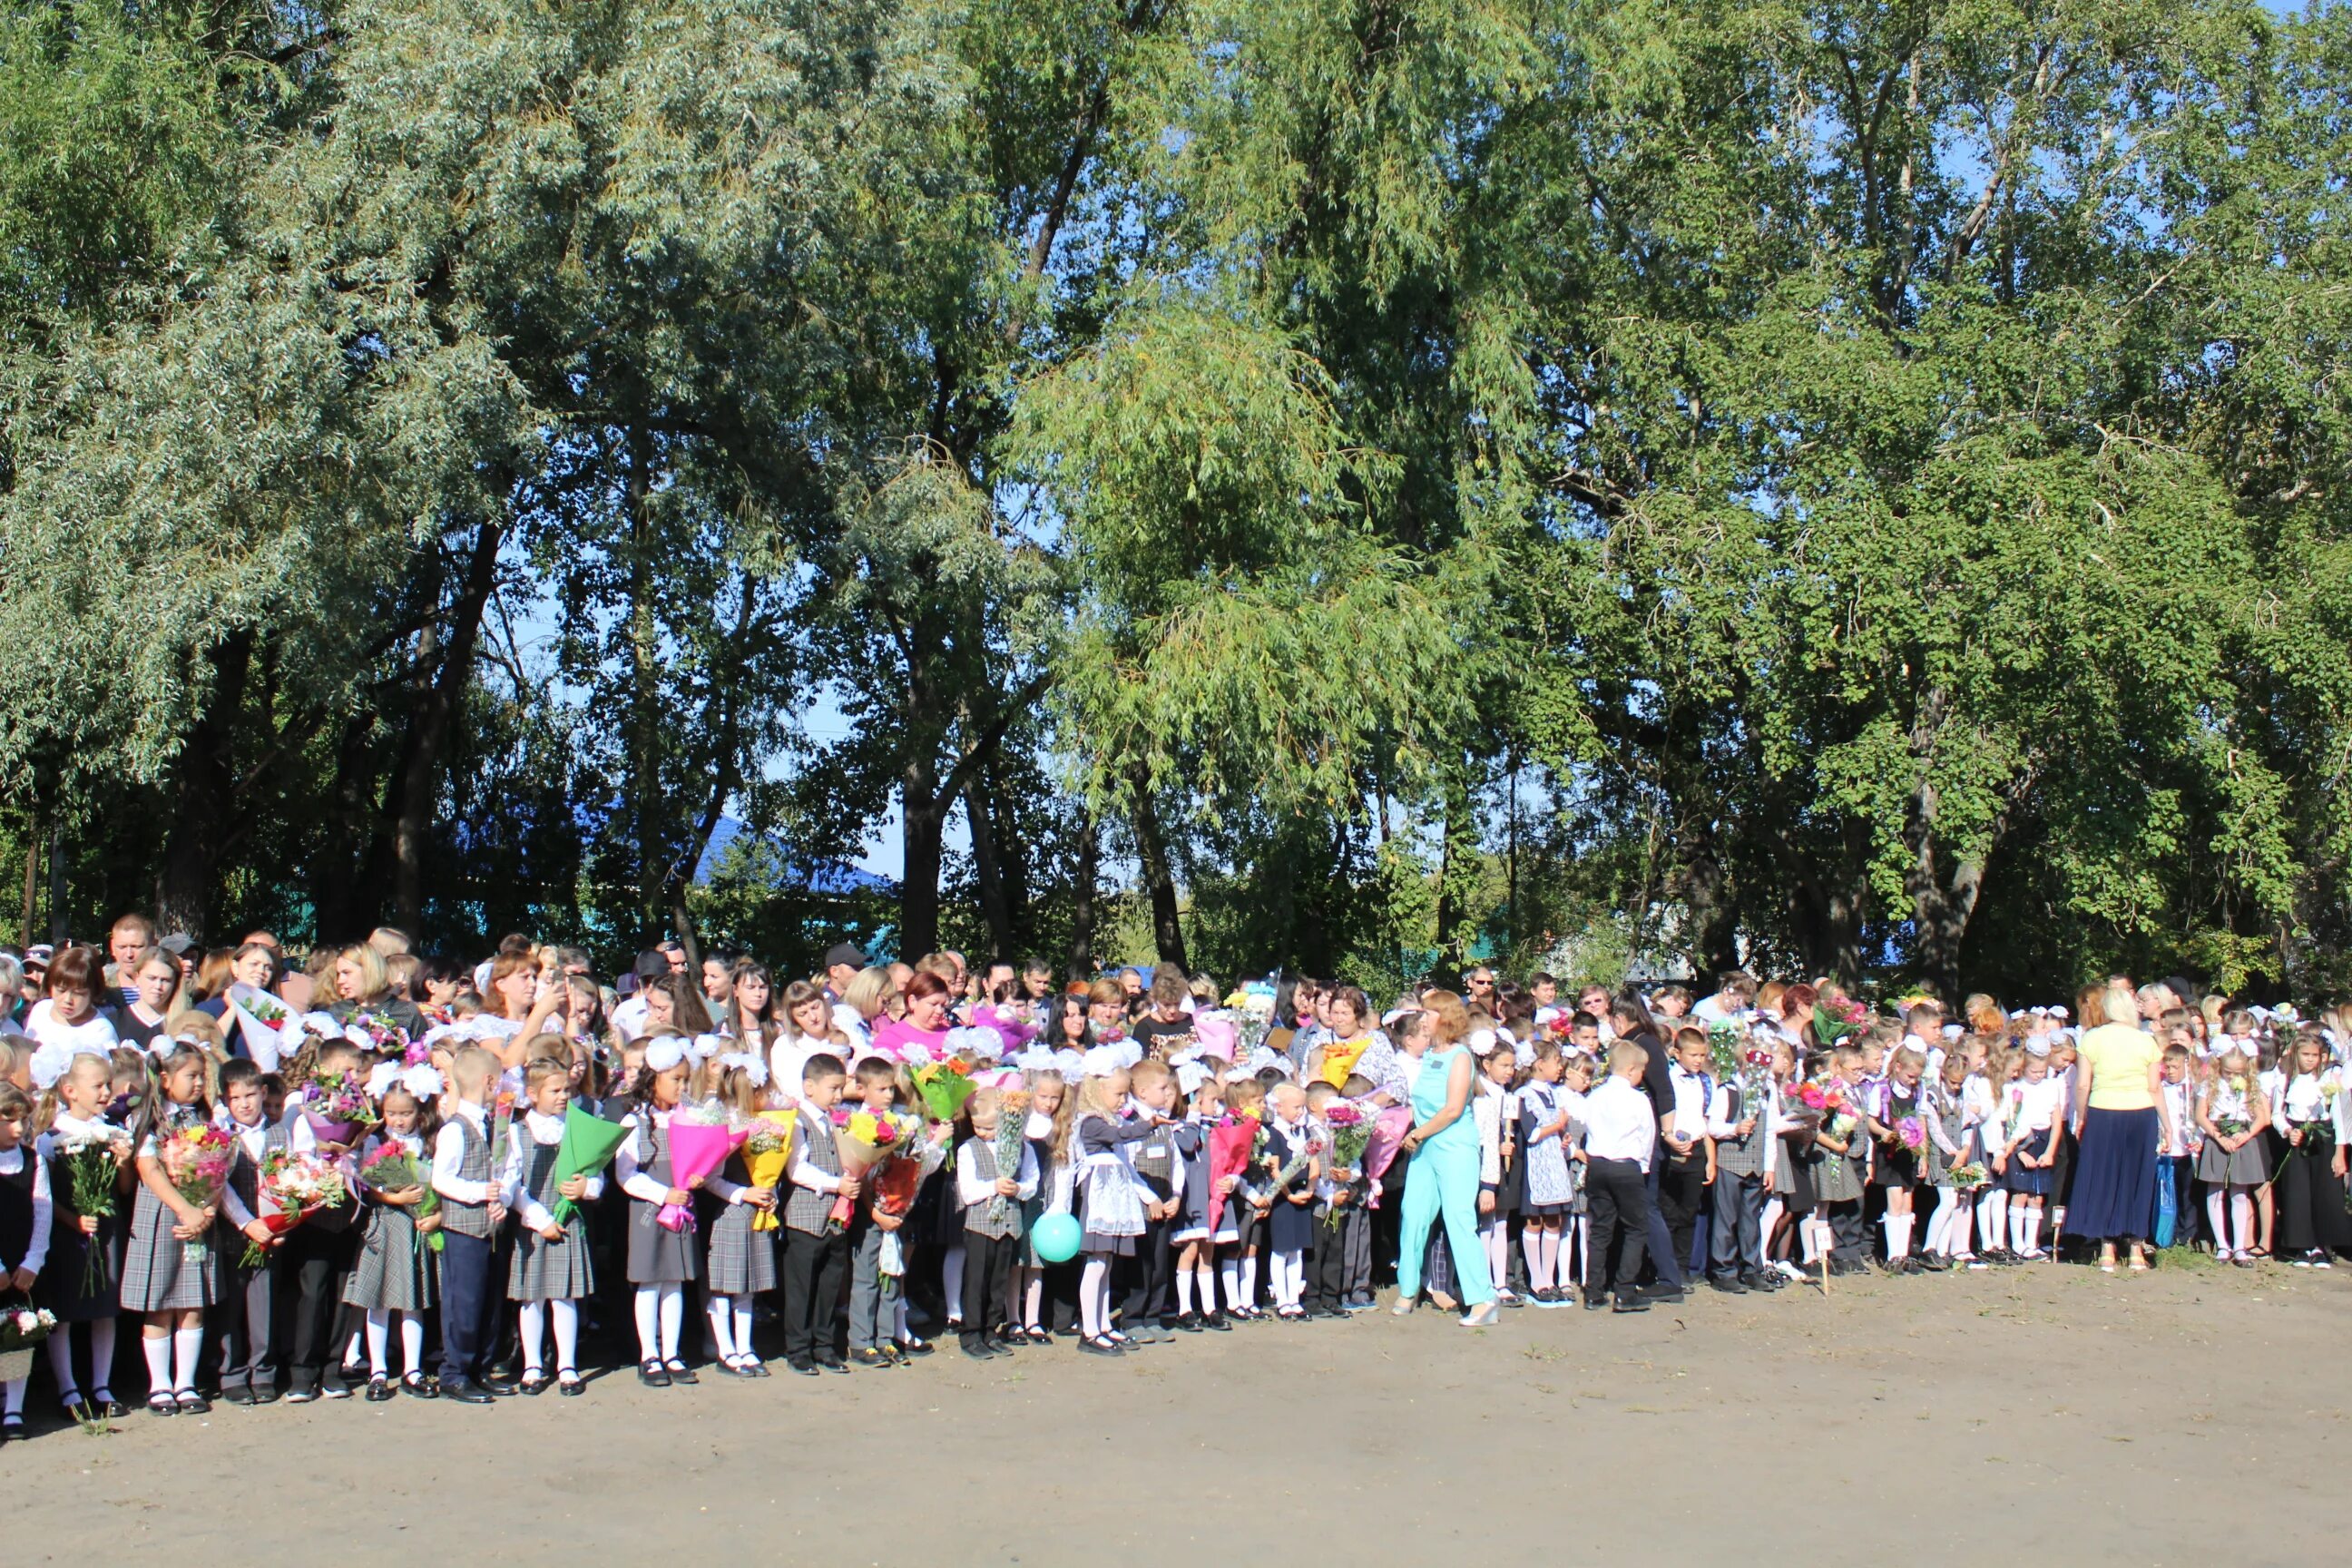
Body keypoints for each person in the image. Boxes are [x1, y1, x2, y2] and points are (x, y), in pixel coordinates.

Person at [1389, 992, 1497, 1327]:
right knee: (1414, 1214)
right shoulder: (1430, 1055)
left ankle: (1481, 1299)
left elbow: (1452, 1108)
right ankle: (1408, 1289)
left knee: (1458, 1218)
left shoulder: (1460, 1056)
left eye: (1429, 1012)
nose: (1423, 1016)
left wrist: (1418, 1133)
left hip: (1453, 1147)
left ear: (1444, 1016)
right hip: (1425, 1148)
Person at [31, 1051, 129, 1419]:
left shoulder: (112, 1131)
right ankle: (68, 1387)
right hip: (67, 1233)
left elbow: (123, 1187)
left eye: (108, 1084)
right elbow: (43, 1195)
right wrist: (73, 1221)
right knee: (65, 1310)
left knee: (105, 1308)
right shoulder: (52, 1137)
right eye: (98, 1085)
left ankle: (102, 1385)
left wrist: (123, 1163)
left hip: (105, 1229)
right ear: (70, 1090)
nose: (106, 1092)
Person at [118, 1045, 214, 1416]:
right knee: (159, 1304)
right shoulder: (148, 1117)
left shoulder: (205, 1117)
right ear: (164, 1079)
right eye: (191, 1075)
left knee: (191, 1302)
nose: (199, 1083)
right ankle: (159, 1385)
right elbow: (150, 1170)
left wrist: (205, 1210)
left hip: (198, 1217)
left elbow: (216, 1167)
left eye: (202, 1075)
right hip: (161, 1216)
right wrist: (185, 1209)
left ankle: (186, 1382)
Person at [505, 1057, 603, 1394]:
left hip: (570, 1220)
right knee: (532, 1298)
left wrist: (585, 1189)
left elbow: (596, 1174)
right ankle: (532, 1363)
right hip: (534, 1224)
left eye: (567, 1089)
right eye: (555, 1090)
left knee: (565, 1297)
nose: (564, 1096)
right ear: (532, 1093)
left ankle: (567, 1364)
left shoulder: (575, 1128)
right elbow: (513, 1184)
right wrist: (540, 1220)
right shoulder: (517, 1132)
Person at [612, 1038, 700, 1387]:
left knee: (674, 1280)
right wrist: (665, 1194)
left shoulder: (687, 1119)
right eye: (675, 1079)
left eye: (684, 1080)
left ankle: (672, 1352)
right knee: (650, 1281)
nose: (681, 1087)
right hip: (650, 1212)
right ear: (655, 1078)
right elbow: (626, 1175)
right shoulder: (635, 1121)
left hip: (680, 1209)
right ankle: (649, 1353)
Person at [347, 1082, 439, 1400]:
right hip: (384, 1225)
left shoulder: (427, 1143)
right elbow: (364, 1183)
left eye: (406, 1113)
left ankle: (412, 1369)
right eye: (391, 1113)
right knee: (379, 1300)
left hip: (416, 1227)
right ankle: (378, 1370)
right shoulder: (375, 1140)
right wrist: (392, 1196)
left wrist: (431, 1211)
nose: (398, 1120)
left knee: (411, 1300)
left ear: (420, 1111)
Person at [2067, 980, 2168, 1273]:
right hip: (2140, 1112)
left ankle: (2106, 1249)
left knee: (2103, 1177)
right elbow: (2154, 1087)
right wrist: (2167, 1124)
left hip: (2103, 1111)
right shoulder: (2145, 1040)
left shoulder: (2092, 1038)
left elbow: (2083, 1084)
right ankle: (2136, 1249)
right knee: (2137, 1177)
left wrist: (2082, 1116)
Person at [429, 1045, 507, 1405]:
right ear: (489, 1081)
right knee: (464, 1301)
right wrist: (480, 1192)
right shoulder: (455, 1129)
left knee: (489, 1301)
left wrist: (500, 1199)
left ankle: (480, 1366)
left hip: (489, 1227)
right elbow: (441, 1180)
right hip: (463, 1229)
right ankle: (455, 1372)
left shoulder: (494, 1123)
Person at [696, 1054, 779, 1376]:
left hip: (754, 1212)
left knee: (748, 1284)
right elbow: (709, 1177)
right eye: (763, 1092)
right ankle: (725, 1349)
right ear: (752, 1093)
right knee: (724, 1285)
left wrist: (770, 1195)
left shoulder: (762, 1124)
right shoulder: (723, 1124)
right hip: (729, 1213)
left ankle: (746, 1347)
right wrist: (744, 1194)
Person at [779, 1054, 855, 1376]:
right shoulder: (798, 1122)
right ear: (809, 1086)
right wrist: (836, 1183)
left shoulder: (835, 1120)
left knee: (829, 1283)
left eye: (841, 1088)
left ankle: (825, 1345)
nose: (838, 1096)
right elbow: (797, 1169)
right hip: (806, 1217)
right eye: (833, 1088)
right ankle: (798, 1348)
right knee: (801, 1286)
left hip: (836, 1219)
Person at [954, 1084, 1036, 1359]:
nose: (983, 1133)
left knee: (999, 1280)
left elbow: (1031, 1182)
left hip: (1010, 1224)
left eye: (990, 1128)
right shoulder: (968, 1149)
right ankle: (971, 1333)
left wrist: (1018, 1190)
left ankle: (991, 1330)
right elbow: (968, 1192)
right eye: (978, 1127)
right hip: (980, 1224)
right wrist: (995, 1187)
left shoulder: (1022, 1148)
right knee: (977, 1280)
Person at [1583, 1042, 1658, 1312]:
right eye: (1641, 1071)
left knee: (1601, 1228)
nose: (1642, 1076)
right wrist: (1644, 1167)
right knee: (1636, 1228)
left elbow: (1586, 1125)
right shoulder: (1637, 1099)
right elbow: (1647, 1135)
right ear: (1630, 1070)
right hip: (1626, 1166)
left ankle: (1593, 1291)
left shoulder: (1594, 1096)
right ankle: (1625, 1292)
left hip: (1598, 1165)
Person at [2268, 1034, 2348, 1267]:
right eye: (2306, 1055)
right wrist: (2286, 1131)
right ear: (2295, 1054)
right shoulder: (2285, 1079)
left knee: (2324, 1192)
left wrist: (2340, 1151)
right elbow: (2277, 1114)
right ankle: (2302, 1246)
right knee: (2298, 1192)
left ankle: (2322, 1246)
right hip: (2297, 1135)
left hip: (2323, 1137)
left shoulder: (2328, 1079)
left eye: (2315, 1055)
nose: (2310, 1060)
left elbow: (2340, 1117)